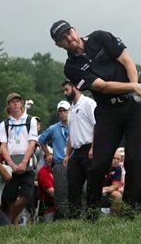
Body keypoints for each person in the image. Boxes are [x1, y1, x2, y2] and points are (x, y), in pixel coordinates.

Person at [50, 20, 141, 218]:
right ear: (59, 45)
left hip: (135, 107)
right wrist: (134, 87)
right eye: (63, 38)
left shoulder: (100, 37)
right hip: (108, 111)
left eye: (69, 32)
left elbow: (127, 61)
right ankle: (91, 213)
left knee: (134, 159)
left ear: (74, 29)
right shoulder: (71, 68)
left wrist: (135, 88)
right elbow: (103, 86)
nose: (70, 38)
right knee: (98, 165)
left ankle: (129, 211)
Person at [0, 93, 38, 225]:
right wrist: (11, 164)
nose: (15, 104)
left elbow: (32, 142)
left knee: (26, 195)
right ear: (8, 105)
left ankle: (7, 221)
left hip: (26, 162)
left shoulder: (30, 120)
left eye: (17, 101)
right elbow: (3, 146)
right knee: (9, 197)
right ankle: (11, 224)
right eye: (12, 102)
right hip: (11, 163)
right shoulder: (4, 124)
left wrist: (23, 162)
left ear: (21, 103)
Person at [62, 80, 97, 219]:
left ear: (75, 88)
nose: (65, 93)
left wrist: (94, 148)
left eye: (66, 89)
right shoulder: (70, 109)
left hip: (89, 148)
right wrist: (67, 154)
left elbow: (97, 126)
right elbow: (72, 133)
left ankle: (92, 215)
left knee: (91, 185)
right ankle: (74, 217)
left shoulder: (88, 103)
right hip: (75, 152)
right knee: (73, 186)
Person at [38, 100, 71, 219]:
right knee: (61, 193)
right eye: (60, 111)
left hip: (74, 162)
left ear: (70, 111)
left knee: (78, 191)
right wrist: (47, 153)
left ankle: (77, 217)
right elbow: (41, 140)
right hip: (59, 163)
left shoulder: (75, 125)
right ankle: (63, 219)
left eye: (65, 110)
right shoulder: (54, 128)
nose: (62, 113)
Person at [37, 147, 55, 222]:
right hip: (48, 209)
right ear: (44, 159)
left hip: (59, 206)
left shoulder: (58, 170)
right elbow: (51, 192)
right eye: (46, 156)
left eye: (51, 156)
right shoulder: (42, 172)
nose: (49, 158)